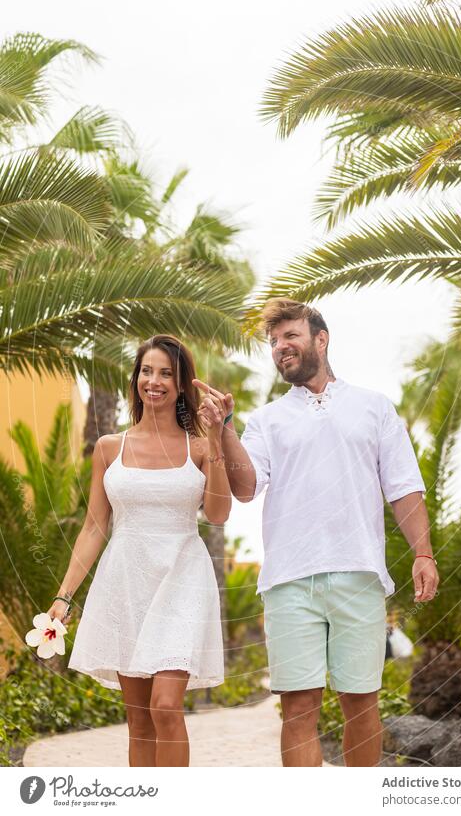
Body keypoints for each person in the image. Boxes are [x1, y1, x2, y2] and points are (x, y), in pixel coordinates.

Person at [194, 298, 439, 768]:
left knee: (361, 703)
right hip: (289, 581)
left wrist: (423, 554)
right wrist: (224, 428)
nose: (280, 347)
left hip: (359, 575)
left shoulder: (375, 408)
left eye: (291, 336)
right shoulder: (265, 419)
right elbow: (245, 489)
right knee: (298, 710)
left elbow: (404, 488)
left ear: (320, 340)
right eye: (273, 341)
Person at [48, 334, 231, 767]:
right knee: (140, 721)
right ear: (135, 380)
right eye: (147, 371)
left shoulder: (200, 447)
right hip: (125, 582)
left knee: (166, 706)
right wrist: (63, 595)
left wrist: (218, 438)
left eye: (166, 373)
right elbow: (95, 527)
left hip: (183, 576)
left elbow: (219, 514)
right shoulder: (110, 448)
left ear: (183, 383)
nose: (155, 381)